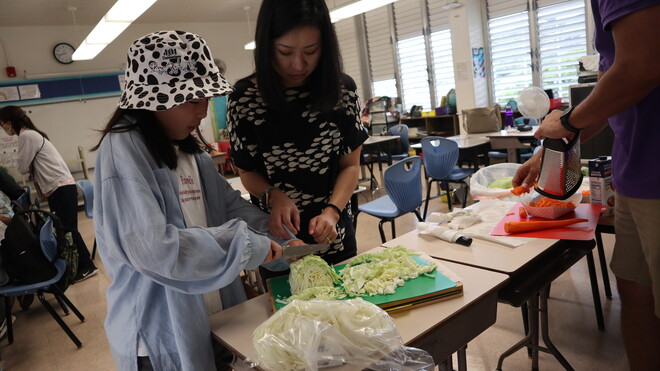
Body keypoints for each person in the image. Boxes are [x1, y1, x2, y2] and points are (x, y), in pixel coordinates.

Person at [92, 30, 289, 371]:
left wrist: (274, 234)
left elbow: (227, 205)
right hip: (158, 330)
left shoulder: (188, 149)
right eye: (193, 100)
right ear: (155, 98)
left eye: (206, 99)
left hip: (210, 313)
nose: (204, 111)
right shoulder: (124, 148)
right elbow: (155, 249)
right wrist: (244, 245)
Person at [513, 2, 660, 369]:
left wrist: (566, 121)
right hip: (633, 178)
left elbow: (641, 66)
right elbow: (615, 94)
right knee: (634, 289)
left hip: (656, 178)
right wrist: (550, 150)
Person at [227, 0, 368, 278]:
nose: (298, 64)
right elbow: (246, 171)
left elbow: (350, 166)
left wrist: (332, 212)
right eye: (285, 51)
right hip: (277, 244)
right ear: (267, 46)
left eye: (311, 51)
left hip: (334, 232)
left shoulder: (342, 90)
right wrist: (273, 195)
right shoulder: (244, 98)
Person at [0, 106, 98, 282]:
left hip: (60, 187)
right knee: (65, 228)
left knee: (67, 229)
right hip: (59, 187)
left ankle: (86, 266)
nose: (3, 129)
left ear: (9, 123)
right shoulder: (32, 134)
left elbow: (22, 168)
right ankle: (77, 264)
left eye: (2, 125)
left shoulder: (26, 136)